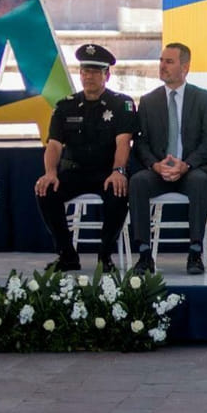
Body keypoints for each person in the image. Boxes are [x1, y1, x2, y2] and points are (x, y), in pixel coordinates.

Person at [33, 44, 136, 273]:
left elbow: (123, 142)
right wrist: (50, 173)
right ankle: (67, 255)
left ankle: (105, 256)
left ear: (107, 75)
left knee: (118, 191)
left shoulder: (121, 104)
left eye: (95, 72)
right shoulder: (65, 105)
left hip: (107, 171)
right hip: (75, 171)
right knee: (45, 190)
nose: (89, 77)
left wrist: (118, 171)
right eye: (85, 71)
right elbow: (54, 144)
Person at [128, 42, 207, 274]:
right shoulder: (148, 101)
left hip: (190, 169)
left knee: (200, 181)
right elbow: (140, 142)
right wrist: (155, 165)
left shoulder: (203, 98)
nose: (162, 66)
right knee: (138, 181)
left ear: (185, 67)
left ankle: (195, 252)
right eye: (161, 61)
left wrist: (186, 165)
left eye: (169, 62)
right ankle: (144, 254)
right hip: (159, 170)